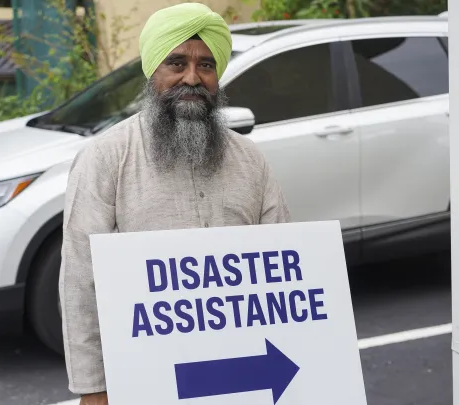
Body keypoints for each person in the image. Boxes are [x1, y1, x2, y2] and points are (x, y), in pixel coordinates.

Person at [58, 3, 291, 404]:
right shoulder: (107, 157)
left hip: (241, 369)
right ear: (153, 72)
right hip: (146, 375)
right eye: (177, 62)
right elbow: (81, 280)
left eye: (206, 66)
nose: (192, 78)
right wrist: (94, 388)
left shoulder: (250, 160)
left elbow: (284, 266)